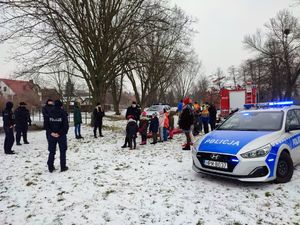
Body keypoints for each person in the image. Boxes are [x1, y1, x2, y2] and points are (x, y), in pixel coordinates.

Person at [45, 100, 69, 173]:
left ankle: (50, 166)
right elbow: (65, 126)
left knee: (51, 151)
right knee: (62, 151)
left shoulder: (49, 113)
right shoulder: (63, 113)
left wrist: (51, 133)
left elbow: (46, 125)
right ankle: (63, 166)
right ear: (61, 106)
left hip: (51, 135)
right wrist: (59, 133)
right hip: (61, 135)